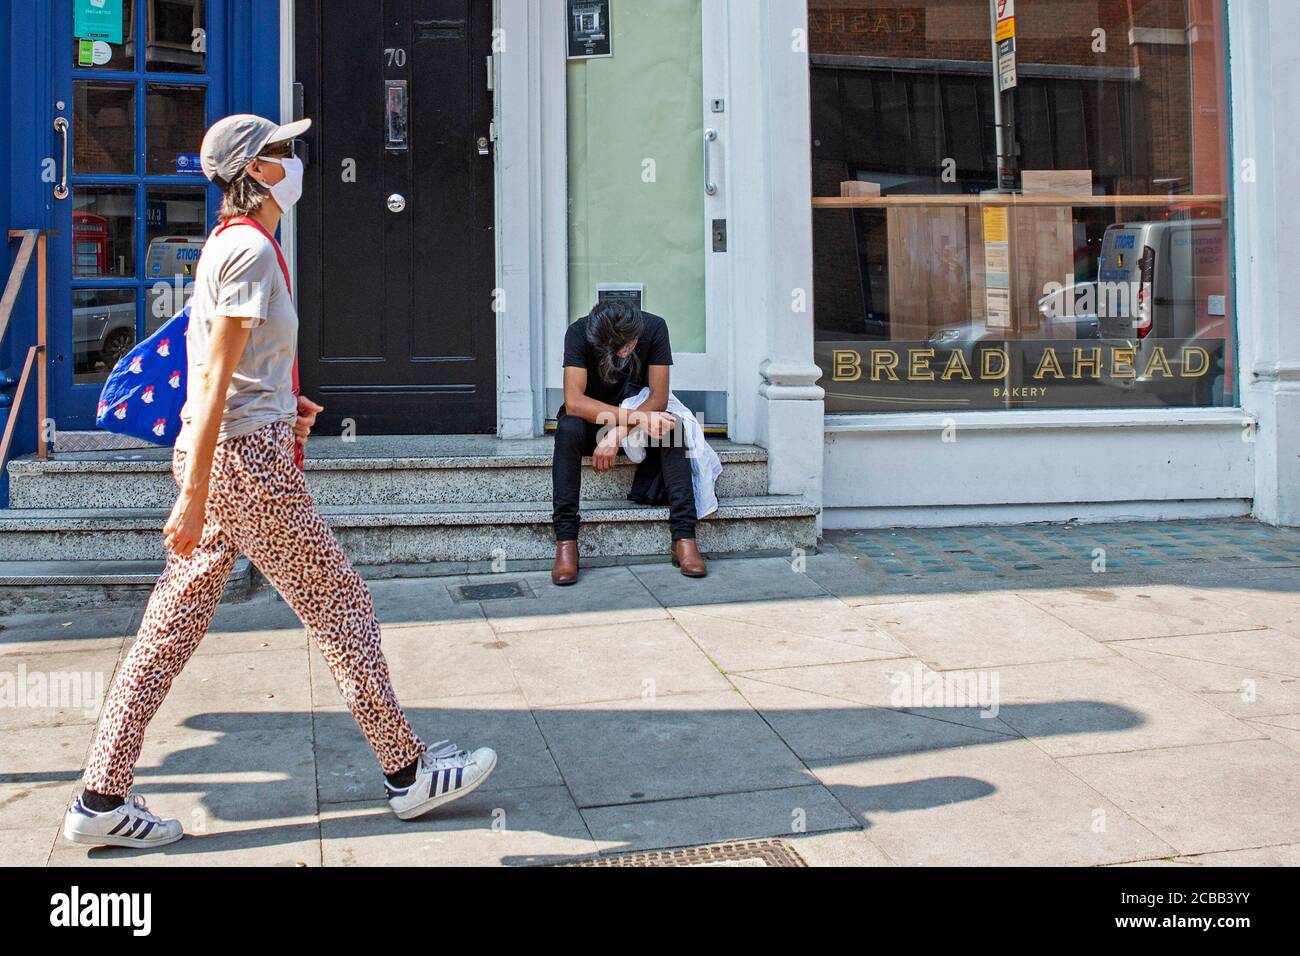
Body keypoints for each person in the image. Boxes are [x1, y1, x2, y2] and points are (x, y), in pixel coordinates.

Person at [63, 114, 496, 849]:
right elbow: (209, 382)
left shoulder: (241, 247)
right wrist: (195, 493)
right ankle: (407, 774)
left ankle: (100, 799)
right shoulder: (248, 253)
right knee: (341, 606)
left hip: (239, 452)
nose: (296, 161)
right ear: (256, 172)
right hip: (243, 465)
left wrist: (279, 402)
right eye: (282, 152)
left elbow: (235, 365)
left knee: (168, 631)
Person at [551, 299, 708, 585]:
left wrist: (619, 432)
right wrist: (621, 424)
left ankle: (684, 537)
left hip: (636, 423)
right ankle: (566, 543)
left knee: (674, 427)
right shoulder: (577, 333)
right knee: (567, 428)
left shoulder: (655, 328)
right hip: (592, 423)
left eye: (628, 344)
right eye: (614, 347)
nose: (623, 352)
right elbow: (574, 402)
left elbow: (658, 398)